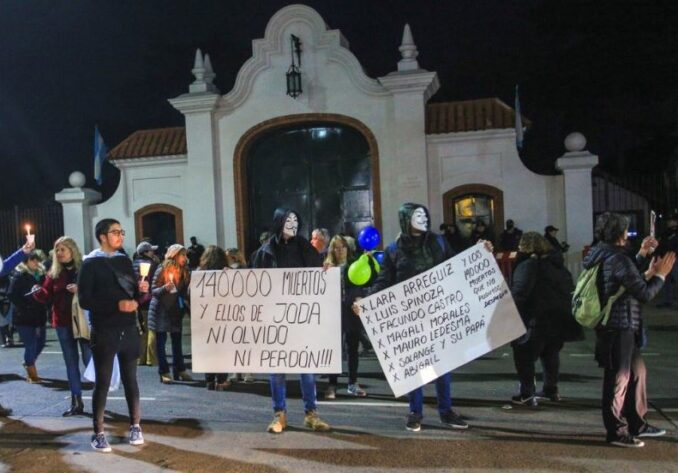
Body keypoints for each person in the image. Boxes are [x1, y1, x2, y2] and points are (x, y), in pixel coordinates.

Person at [363, 203, 485, 432]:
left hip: (438, 313)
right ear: (406, 219)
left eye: (425, 215)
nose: (424, 218)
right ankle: (415, 411)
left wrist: (478, 253)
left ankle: (446, 411)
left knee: (443, 366)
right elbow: (384, 281)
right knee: (414, 367)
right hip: (410, 318)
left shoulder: (438, 242)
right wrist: (367, 300)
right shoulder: (392, 250)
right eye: (418, 215)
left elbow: (457, 265)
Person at [583, 212, 675, 448]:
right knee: (619, 378)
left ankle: (637, 422)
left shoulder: (606, 254)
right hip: (618, 325)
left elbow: (625, 281)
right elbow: (642, 292)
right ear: (621, 233)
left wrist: (642, 256)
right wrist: (661, 276)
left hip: (620, 324)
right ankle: (616, 431)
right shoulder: (616, 258)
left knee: (637, 373)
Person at [251, 208, 330, 434]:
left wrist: (324, 270)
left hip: (301, 320)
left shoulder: (305, 247)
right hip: (275, 321)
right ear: (279, 223)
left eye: (296, 220)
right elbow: (251, 283)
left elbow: (317, 276)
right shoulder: (264, 253)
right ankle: (279, 415)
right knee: (277, 370)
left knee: (307, 369)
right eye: (289, 220)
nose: (293, 224)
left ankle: (311, 414)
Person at [78, 219, 149, 453]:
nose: (120, 236)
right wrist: (117, 304)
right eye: (115, 232)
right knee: (103, 381)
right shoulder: (90, 264)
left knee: (131, 380)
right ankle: (98, 432)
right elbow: (85, 300)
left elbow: (133, 297)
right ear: (102, 236)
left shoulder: (124, 260)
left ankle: (135, 426)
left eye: (122, 232)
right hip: (105, 329)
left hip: (128, 329)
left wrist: (141, 293)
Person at [509, 232, 583, 406]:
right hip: (558, 319)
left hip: (536, 318)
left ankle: (526, 393)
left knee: (524, 355)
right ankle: (551, 390)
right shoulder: (557, 265)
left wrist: (508, 311)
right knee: (550, 355)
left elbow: (520, 292)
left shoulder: (528, 265)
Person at [33, 236, 91, 417]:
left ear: (72, 250)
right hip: (62, 322)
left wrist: (80, 289)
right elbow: (45, 296)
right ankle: (76, 400)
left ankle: (99, 396)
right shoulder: (53, 274)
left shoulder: (84, 269)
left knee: (89, 360)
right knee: (70, 362)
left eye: (62, 249)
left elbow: (97, 290)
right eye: (57, 250)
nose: (59, 253)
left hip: (82, 321)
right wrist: (37, 292)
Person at [324, 235, 370, 399]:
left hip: (351, 310)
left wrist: (360, 297)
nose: (340, 250)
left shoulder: (354, 264)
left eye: (343, 246)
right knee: (334, 349)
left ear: (347, 248)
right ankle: (332, 384)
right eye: (336, 247)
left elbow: (362, 283)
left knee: (352, 349)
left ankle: (352, 383)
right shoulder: (327, 266)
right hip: (333, 312)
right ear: (332, 249)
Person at [148, 244, 193, 384]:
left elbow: (185, 291)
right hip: (161, 309)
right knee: (161, 343)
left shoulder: (185, 270)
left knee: (177, 341)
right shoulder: (162, 269)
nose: (185, 258)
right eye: (182, 255)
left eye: (185, 255)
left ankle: (180, 369)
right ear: (174, 255)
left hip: (175, 311)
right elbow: (153, 290)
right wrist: (164, 288)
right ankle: (164, 371)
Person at [8, 252, 47, 383]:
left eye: (37, 260)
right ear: (26, 262)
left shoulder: (41, 275)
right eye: (33, 260)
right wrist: (26, 303)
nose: (36, 263)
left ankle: (28, 362)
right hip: (23, 316)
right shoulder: (19, 276)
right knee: (31, 344)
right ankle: (32, 374)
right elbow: (12, 295)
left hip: (39, 315)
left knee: (41, 343)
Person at [200, 245, 232, 391]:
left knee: (208, 349)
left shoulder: (200, 274)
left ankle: (209, 380)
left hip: (205, 317)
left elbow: (189, 294)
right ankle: (222, 380)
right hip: (223, 316)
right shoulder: (226, 272)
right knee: (222, 348)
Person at [224, 247, 254, 384]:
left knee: (245, 341)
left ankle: (247, 371)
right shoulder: (225, 270)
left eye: (227, 257)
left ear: (234, 258)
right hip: (231, 309)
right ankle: (236, 371)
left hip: (244, 309)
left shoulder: (244, 270)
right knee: (234, 341)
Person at [133, 241, 159, 366]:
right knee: (151, 329)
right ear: (145, 252)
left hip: (137, 300)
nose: (153, 252)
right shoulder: (151, 264)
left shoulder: (133, 264)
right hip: (148, 299)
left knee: (142, 330)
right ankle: (151, 358)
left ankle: (140, 358)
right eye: (151, 250)